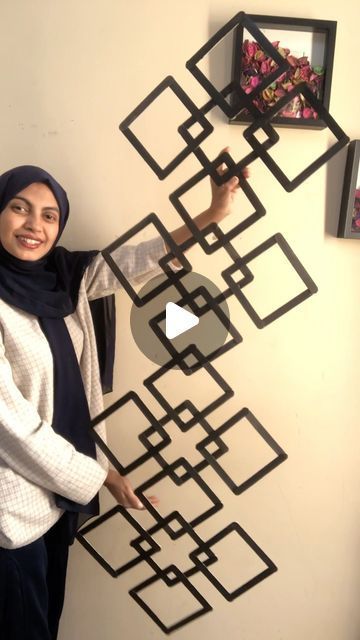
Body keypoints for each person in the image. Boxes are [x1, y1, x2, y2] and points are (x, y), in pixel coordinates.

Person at [0, 160, 241, 640]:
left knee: (46, 624)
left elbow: (137, 261)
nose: (34, 225)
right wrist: (103, 476)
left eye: (49, 215)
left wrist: (212, 214)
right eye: (19, 208)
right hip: (10, 508)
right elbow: (13, 429)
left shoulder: (64, 279)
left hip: (55, 499)